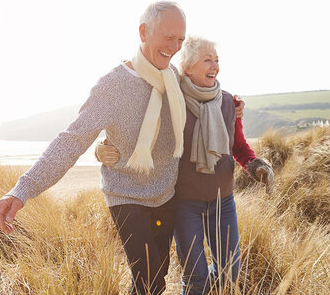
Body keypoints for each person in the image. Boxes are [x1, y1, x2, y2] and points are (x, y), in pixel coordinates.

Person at [0, 1, 187, 295]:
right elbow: (71, 140)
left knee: (156, 278)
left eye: (180, 40)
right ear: (143, 32)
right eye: (168, 36)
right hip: (126, 193)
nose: (174, 46)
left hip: (166, 193)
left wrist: (232, 107)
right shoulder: (112, 86)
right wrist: (23, 189)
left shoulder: (173, 77)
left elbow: (204, 98)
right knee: (150, 279)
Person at [95, 36, 274, 294]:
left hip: (223, 202)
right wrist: (102, 148)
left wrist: (256, 165)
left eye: (217, 60)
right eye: (207, 60)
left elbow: (239, 147)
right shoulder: (171, 102)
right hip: (184, 205)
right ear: (187, 67)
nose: (215, 66)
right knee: (195, 277)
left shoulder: (228, 103)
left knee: (229, 272)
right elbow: (137, 133)